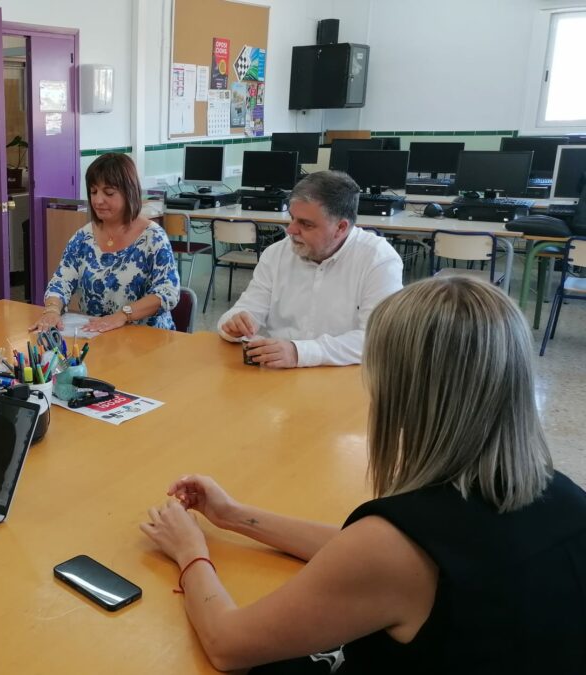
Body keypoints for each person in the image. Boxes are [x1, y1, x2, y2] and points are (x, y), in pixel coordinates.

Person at [142, 277, 586, 674]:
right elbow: (363, 556)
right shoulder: (566, 496)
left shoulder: (395, 547)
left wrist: (190, 551)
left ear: (403, 394)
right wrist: (236, 516)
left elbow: (228, 644)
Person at [216, 171, 402, 368]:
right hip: (277, 377)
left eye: (306, 224)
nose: (291, 230)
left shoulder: (378, 260)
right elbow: (245, 310)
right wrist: (234, 324)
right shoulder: (276, 254)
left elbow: (376, 339)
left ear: (340, 228)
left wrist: (299, 352)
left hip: (343, 380)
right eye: (292, 218)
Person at [31, 153, 180, 333]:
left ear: (128, 192)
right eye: (93, 192)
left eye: (108, 193)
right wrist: (52, 310)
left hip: (147, 340)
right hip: (98, 337)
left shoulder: (153, 237)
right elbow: (61, 281)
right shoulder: (83, 238)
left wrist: (123, 316)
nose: (98, 200)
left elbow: (168, 292)